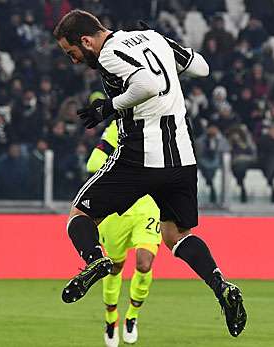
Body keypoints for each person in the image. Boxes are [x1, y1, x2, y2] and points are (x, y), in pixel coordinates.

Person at [53, 10, 246, 337]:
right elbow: (201, 67)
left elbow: (148, 83)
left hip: (140, 156)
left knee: (79, 215)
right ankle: (220, 285)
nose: (74, 60)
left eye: (73, 53)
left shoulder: (110, 53)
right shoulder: (155, 38)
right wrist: (166, 42)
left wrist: (109, 106)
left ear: (86, 40)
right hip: (182, 158)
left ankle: (95, 260)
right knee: (175, 236)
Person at [85, 118, 161, 347]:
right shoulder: (117, 129)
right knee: (115, 267)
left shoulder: (163, 128)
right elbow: (93, 162)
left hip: (147, 206)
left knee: (144, 263)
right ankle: (111, 319)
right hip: (116, 210)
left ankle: (132, 316)